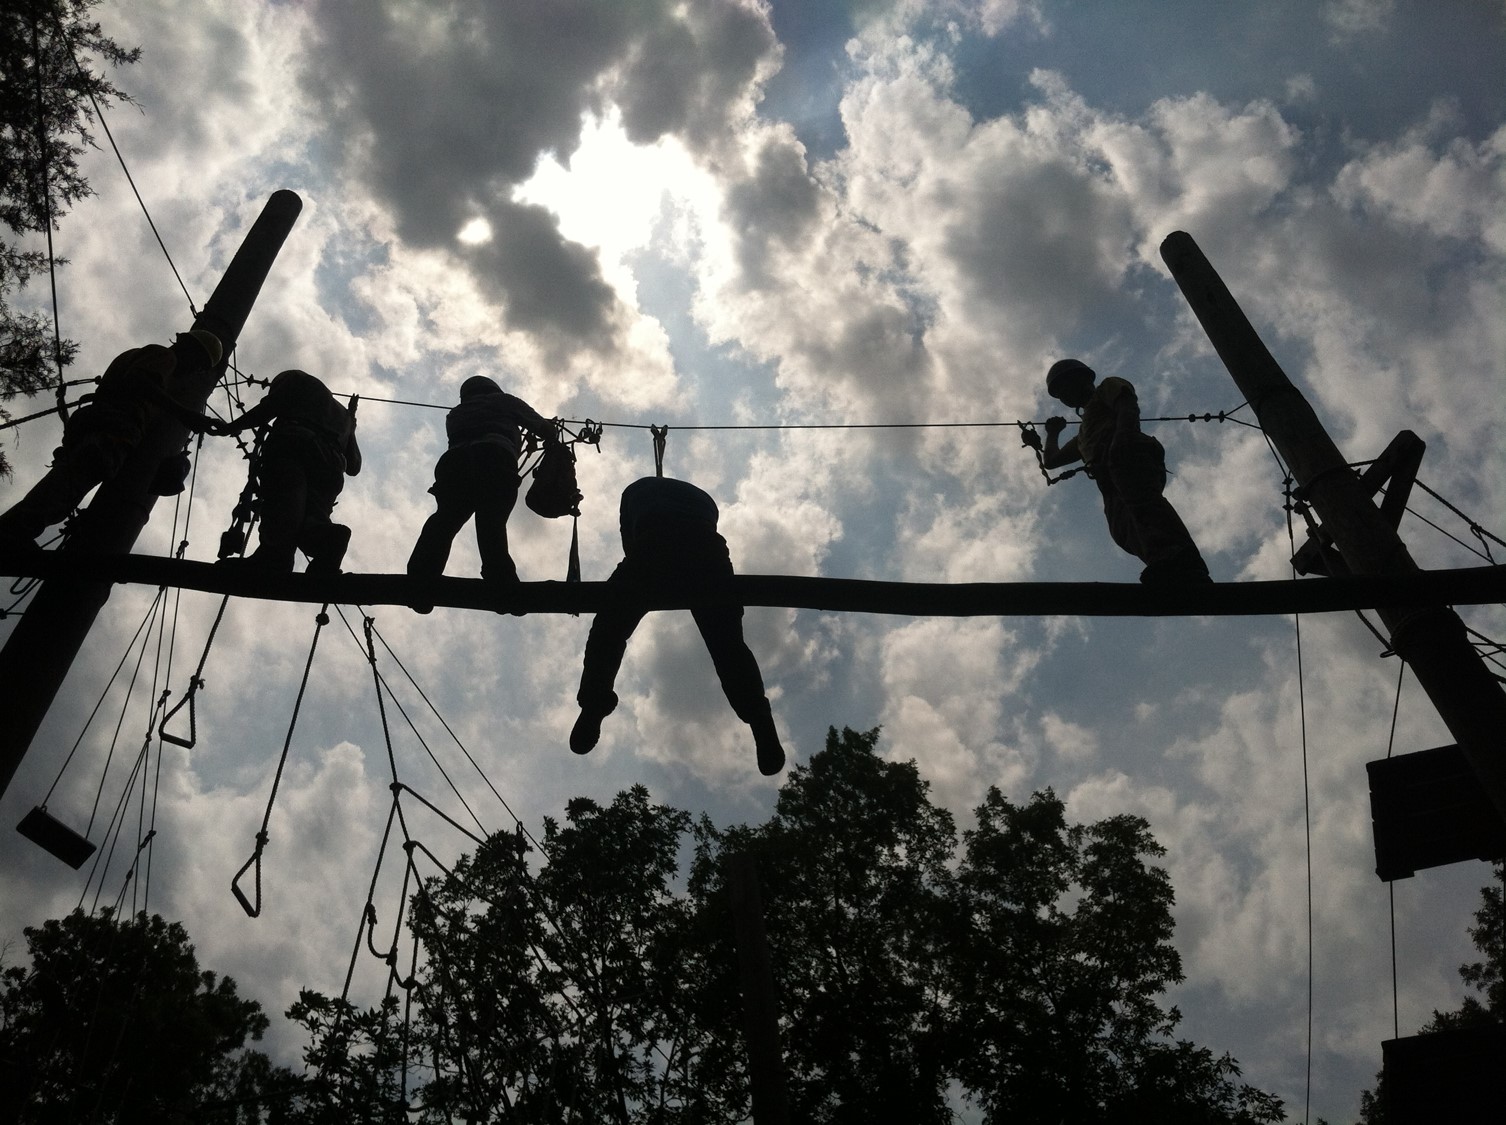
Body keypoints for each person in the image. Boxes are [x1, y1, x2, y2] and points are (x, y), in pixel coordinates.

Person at [570, 476, 786, 776]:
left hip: (653, 543)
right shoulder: (702, 498)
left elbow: (630, 545)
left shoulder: (633, 492)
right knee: (727, 644)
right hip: (707, 550)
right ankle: (759, 717)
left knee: (609, 630)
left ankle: (593, 704)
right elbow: (705, 523)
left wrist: (639, 581)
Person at [0, 330, 222, 547]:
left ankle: (16, 529)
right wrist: (184, 413)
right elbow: (139, 381)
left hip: (100, 425)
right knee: (68, 486)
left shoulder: (149, 357)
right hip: (111, 431)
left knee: (69, 485)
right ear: (191, 351)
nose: (194, 371)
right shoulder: (165, 356)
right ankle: (14, 531)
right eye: (198, 364)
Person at [1036, 358, 1211, 584]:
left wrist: (1122, 437)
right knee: (1122, 527)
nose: (1064, 397)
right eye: (1059, 394)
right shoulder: (1083, 434)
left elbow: (1126, 404)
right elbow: (1052, 461)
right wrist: (1052, 433)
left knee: (1144, 506)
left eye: (1065, 387)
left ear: (1082, 379)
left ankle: (1184, 561)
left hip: (1128, 455)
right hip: (1107, 474)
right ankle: (1163, 562)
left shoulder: (1106, 388)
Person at [405, 375, 556, 611]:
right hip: (494, 458)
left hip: (454, 462)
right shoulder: (504, 401)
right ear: (493, 389)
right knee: (491, 521)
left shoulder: (455, 414)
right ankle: (501, 581)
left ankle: (421, 575)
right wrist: (548, 431)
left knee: (445, 520)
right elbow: (544, 428)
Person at [211, 369, 360, 574]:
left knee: (284, 505)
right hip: (331, 467)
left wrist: (231, 427)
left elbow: (271, 407)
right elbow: (354, 466)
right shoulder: (343, 416)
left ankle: (273, 557)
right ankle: (329, 541)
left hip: (294, 446)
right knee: (311, 519)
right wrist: (350, 425)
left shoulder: (296, 380)